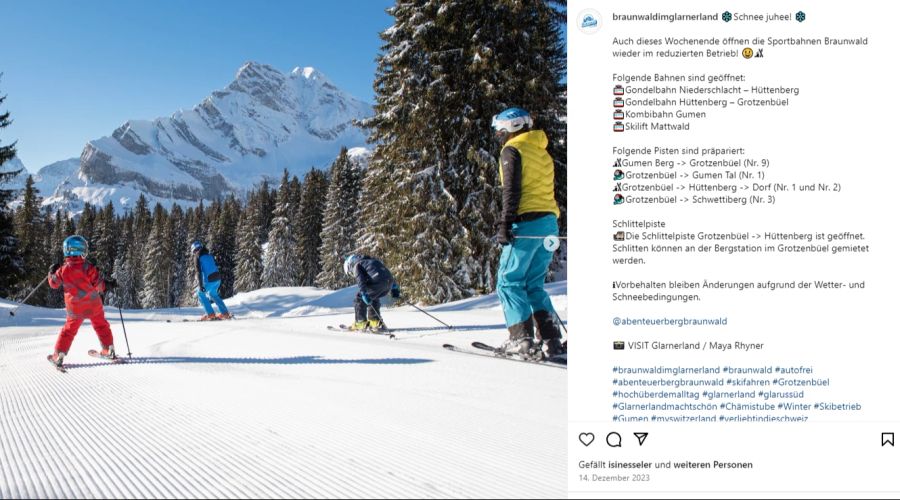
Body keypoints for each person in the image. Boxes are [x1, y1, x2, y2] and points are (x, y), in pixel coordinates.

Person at [491, 107, 565, 359]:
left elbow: (510, 190)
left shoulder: (512, 150)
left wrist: (505, 223)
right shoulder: (540, 150)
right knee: (534, 284)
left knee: (509, 282)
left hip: (526, 224)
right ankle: (552, 340)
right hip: (549, 224)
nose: (498, 135)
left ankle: (520, 340)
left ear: (511, 127)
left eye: (500, 129)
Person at [47, 235, 117, 367]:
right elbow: (100, 285)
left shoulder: (63, 270)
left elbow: (53, 283)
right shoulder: (88, 267)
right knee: (101, 325)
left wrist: (51, 272)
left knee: (68, 331)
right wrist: (109, 284)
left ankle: (59, 355)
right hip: (94, 305)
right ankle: (109, 349)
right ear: (82, 251)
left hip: (75, 308)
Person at [343, 254, 400, 331]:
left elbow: (360, 280)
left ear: (350, 265)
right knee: (373, 297)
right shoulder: (374, 261)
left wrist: (363, 293)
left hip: (377, 282)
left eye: (350, 272)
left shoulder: (357, 265)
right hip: (388, 283)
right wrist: (394, 287)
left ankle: (360, 322)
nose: (352, 273)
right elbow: (386, 273)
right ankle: (375, 321)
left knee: (359, 298)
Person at [190, 240, 232, 321]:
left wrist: (201, 285)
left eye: (194, 251)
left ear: (195, 250)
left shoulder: (197, 257)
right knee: (213, 294)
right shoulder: (209, 255)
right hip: (217, 279)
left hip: (209, 280)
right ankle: (225, 313)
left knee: (200, 294)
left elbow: (198, 272)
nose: (195, 253)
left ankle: (210, 314)